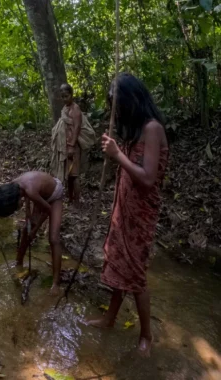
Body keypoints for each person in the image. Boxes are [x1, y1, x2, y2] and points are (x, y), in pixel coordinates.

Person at [86, 73, 169, 358]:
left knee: (135, 274)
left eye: (118, 105)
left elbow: (147, 178)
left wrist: (117, 154)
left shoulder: (153, 129)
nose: (116, 112)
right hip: (125, 210)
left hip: (141, 215)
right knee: (120, 266)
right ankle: (110, 318)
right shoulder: (135, 131)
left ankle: (147, 334)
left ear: (132, 100)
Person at [0, 171, 64, 294]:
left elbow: (48, 210)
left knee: (53, 239)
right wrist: (28, 214)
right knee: (26, 229)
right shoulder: (14, 186)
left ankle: (56, 284)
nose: (16, 210)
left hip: (54, 194)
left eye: (15, 208)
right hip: (41, 195)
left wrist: (35, 230)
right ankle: (18, 263)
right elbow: (27, 197)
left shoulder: (30, 191)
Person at [51, 84, 93, 207]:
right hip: (65, 146)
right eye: (62, 96)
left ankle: (77, 202)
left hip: (72, 146)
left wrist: (71, 146)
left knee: (74, 175)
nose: (65, 99)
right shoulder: (65, 108)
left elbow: (76, 128)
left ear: (72, 95)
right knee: (68, 176)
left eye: (67, 96)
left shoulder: (75, 109)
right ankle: (70, 199)